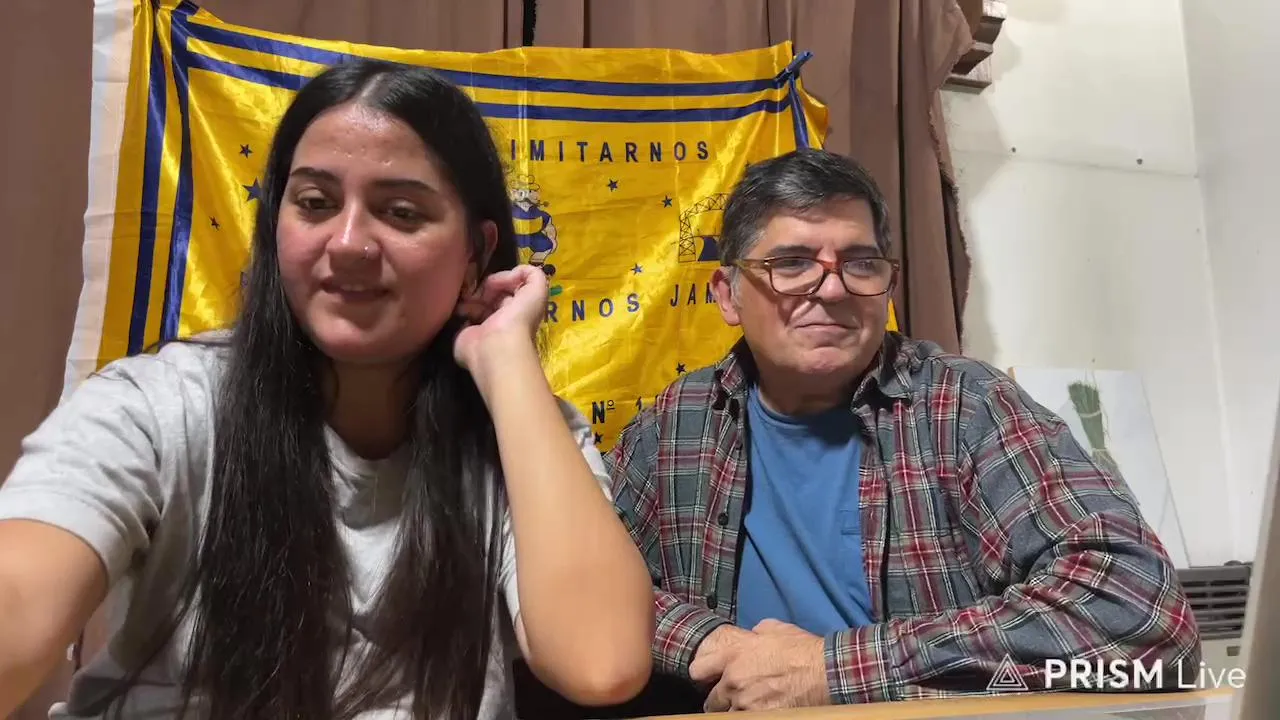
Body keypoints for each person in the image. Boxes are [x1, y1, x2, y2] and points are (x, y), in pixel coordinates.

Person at [0, 60, 654, 719]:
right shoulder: (158, 407)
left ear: (476, 254)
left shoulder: (522, 432)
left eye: (401, 212)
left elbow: (602, 662)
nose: (347, 244)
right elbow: (20, 596)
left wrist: (506, 357)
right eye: (314, 203)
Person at [606, 148, 1201, 712]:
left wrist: (829, 671)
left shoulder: (966, 407)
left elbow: (1141, 614)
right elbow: (577, 587)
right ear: (728, 295)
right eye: (791, 263)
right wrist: (712, 644)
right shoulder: (676, 424)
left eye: (860, 263)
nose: (832, 289)